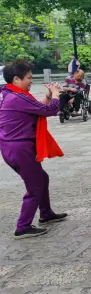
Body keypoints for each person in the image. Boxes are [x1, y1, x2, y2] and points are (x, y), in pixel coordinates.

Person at [0, 60, 68, 239]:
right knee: (35, 186)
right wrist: (55, 94)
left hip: (13, 147)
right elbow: (50, 110)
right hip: (19, 149)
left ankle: (46, 214)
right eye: (29, 78)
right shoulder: (16, 97)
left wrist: (48, 95)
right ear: (16, 79)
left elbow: (38, 108)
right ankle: (22, 226)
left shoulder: (13, 95)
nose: (31, 81)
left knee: (41, 178)